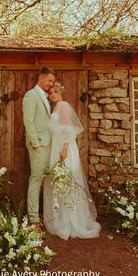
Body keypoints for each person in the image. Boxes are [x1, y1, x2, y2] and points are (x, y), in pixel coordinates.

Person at [43, 82, 101, 240]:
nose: (52, 95)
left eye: (55, 92)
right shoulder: (57, 107)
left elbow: (68, 129)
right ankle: (61, 218)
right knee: (60, 182)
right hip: (58, 146)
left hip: (64, 147)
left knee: (66, 181)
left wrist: (65, 149)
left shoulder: (63, 106)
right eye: (50, 92)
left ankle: (70, 220)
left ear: (60, 93)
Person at [22, 67, 56, 234]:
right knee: (36, 179)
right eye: (49, 80)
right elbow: (28, 121)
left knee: (45, 180)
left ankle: (43, 216)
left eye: (52, 82)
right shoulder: (31, 95)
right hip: (39, 145)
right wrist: (36, 144)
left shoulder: (45, 97)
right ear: (41, 78)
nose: (51, 84)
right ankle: (33, 219)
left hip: (47, 144)